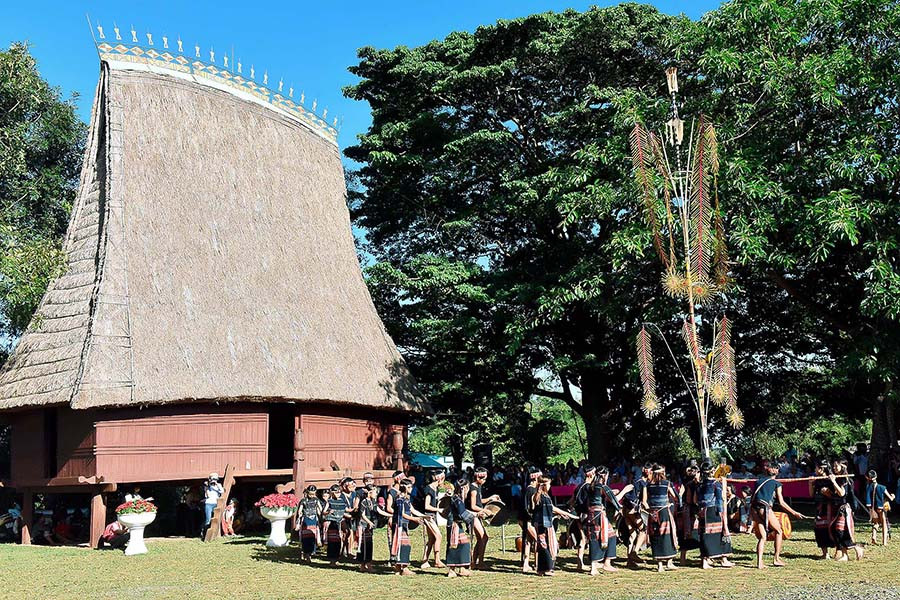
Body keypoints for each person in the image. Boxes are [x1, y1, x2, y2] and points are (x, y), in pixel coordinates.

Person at [750, 461, 808, 569]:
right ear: (776, 471)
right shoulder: (777, 484)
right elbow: (781, 502)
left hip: (755, 509)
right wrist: (794, 513)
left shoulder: (758, 482)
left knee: (762, 537)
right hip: (765, 508)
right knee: (779, 531)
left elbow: (753, 497)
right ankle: (776, 558)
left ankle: (759, 563)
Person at [532, 475, 578, 576]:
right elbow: (549, 507)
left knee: (542, 546)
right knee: (545, 546)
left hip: (542, 523)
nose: (550, 486)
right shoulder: (542, 496)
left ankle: (541, 569)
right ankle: (547, 569)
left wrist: (563, 513)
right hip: (542, 524)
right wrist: (567, 514)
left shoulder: (543, 496)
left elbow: (551, 508)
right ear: (544, 485)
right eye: (549, 484)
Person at [696, 460, 734, 569]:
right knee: (720, 534)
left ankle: (705, 560)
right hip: (713, 510)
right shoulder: (715, 484)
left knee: (704, 535)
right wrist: (722, 513)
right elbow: (719, 499)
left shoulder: (700, 484)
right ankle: (723, 559)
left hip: (703, 511)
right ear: (712, 471)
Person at [643, 464, 679, 572]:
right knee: (667, 535)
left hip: (652, 513)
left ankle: (660, 565)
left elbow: (644, 501)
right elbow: (675, 497)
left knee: (656, 536)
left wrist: (650, 511)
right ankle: (669, 562)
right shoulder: (667, 484)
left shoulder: (647, 485)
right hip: (663, 512)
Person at [585, 466, 620, 575]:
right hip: (599, 514)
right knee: (605, 536)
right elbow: (614, 500)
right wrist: (625, 490)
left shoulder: (590, 486)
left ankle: (603, 564)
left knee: (598, 536)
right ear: (605, 475)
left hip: (591, 514)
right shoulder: (602, 486)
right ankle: (598, 566)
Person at [828, 460, 864, 561]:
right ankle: (845, 555)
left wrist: (833, 481)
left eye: (836, 466)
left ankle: (856, 548)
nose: (834, 468)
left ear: (842, 467)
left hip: (843, 509)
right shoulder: (838, 478)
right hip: (836, 507)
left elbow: (842, 493)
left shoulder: (844, 480)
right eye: (833, 466)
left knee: (841, 531)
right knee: (837, 532)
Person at [468, 467, 501, 570]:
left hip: (477, 515)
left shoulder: (477, 487)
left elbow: (479, 501)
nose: (484, 481)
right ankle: (479, 562)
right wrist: (484, 511)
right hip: (473, 515)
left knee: (481, 538)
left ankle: (474, 561)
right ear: (478, 477)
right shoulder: (473, 488)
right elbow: (473, 506)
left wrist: (490, 498)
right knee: (483, 537)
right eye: (484, 478)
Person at [446, 477, 479, 578]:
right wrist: (475, 515)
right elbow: (462, 513)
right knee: (455, 545)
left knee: (463, 545)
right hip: (454, 525)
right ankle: (451, 570)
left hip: (457, 524)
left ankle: (461, 568)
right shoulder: (457, 499)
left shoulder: (459, 498)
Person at [390, 478, 423, 575]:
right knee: (403, 545)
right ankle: (403, 568)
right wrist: (415, 519)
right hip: (399, 525)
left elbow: (413, 510)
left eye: (411, 486)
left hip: (404, 525)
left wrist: (424, 516)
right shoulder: (399, 499)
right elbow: (402, 514)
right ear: (404, 487)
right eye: (409, 487)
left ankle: (399, 567)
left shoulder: (407, 498)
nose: (411, 488)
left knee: (404, 545)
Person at [421, 469, 446, 569]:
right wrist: (438, 509)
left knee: (431, 539)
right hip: (429, 516)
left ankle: (425, 560)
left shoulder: (436, 489)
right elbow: (426, 506)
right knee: (438, 536)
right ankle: (437, 560)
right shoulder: (429, 489)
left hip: (433, 516)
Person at [811, 460, 836, 559]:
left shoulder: (830, 480)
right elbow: (811, 494)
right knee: (819, 529)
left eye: (816, 468)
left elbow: (834, 495)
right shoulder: (817, 480)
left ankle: (838, 552)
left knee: (830, 529)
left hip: (829, 507)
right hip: (819, 507)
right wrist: (810, 483)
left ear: (821, 469)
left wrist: (827, 492)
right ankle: (825, 553)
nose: (815, 470)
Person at [519, 467, 541, 573]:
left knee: (529, 541)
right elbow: (531, 507)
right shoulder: (532, 490)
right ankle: (537, 564)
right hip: (528, 519)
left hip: (523, 519)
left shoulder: (527, 488)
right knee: (537, 540)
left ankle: (525, 564)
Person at [677, 463, 701, 565]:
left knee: (687, 535)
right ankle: (703, 559)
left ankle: (683, 558)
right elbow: (690, 499)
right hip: (691, 510)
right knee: (695, 534)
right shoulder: (691, 484)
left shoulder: (688, 484)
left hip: (688, 509)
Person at [865, 469, 894, 546]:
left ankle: (873, 537)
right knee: (884, 524)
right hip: (880, 508)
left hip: (873, 508)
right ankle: (884, 542)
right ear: (876, 476)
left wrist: (870, 508)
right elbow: (890, 498)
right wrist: (893, 496)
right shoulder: (882, 487)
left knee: (876, 523)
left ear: (868, 478)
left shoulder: (868, 487)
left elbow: (868, 499)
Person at [296, 485, 323, 561]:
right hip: (306, 520)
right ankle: (305, 552)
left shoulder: (316, 500)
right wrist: (299, 518)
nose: (312, 495)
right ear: (307, 493)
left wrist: (321, 518)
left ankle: (310, 553)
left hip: (314, 519)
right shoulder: (303, 501)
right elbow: (300, 511)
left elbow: (319, 509)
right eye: (310, 494)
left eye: (313, 494)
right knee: (305, 537)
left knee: (313, 536)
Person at [324, 484, 348, 565]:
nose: (338, 494)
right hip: (332, 523)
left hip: (340, 522)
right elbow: (323, 512)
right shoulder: (329, 501)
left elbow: (346, 510)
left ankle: (337, 558)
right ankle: (332, 560)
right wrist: (328, 512)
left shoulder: (342, 501)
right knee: (332, 542)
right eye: (336, 492)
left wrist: (355, 511)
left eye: (339, 492)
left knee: (339, 541)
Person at [357, 484, 378, 572]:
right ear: (369, 492)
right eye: (375, 492)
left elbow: (378, 510)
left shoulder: (373, 501)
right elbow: (362, 514)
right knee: (364, 545)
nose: (376, 494)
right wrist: (369, 522)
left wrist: (389, 515)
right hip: (364, 525)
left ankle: (368, 564)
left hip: (370, 526)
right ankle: (363, 565)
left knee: (369, 545)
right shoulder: (364, 502)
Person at [201, 473, 225, 538]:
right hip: (208, 503)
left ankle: (215, 534)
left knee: (216, 518)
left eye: (215, 479)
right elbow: (207, 496)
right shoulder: (208, 486)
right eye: (212, 479)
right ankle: (205, 534)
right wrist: (206, 487)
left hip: (216, 503)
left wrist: (216, 484)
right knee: (208, 519)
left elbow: (222, 491)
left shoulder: (218, 485)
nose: (213, 480)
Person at [338, 477, 356, 557]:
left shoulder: (354, 494)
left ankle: (349, 551)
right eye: (351, 485)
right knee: (346, 532)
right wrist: (349, 514)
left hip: (351, 517)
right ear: (345, 486)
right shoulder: (341, 496)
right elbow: (341, 510)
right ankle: (342, 550)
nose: (353, 486)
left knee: (351, 533)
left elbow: (355, 504)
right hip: (342, 517)